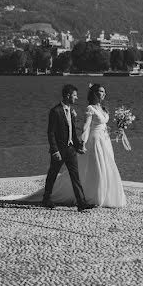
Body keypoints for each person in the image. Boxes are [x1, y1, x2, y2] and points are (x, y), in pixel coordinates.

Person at [40, 84, 95, 212]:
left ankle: (81, 203)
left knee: (75, 176)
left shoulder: (71, 111)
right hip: (59, 150)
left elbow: (72, 132)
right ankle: (46, 199)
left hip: (70, 150)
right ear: (68, 95)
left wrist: (78, 146)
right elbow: (51, 132)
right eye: (75, 95)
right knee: (52, 174)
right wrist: (54, 150)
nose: (76, 98)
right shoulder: (55, 111)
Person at [76, 83, 127, 207]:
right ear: (94, 93)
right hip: (95, 141)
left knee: (107, 165)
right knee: (97, 167)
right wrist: (82, 142)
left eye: (104, 92)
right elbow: (86, 126)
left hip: (105, 140)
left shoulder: (103, 108)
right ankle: (95, 195)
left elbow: (104, 127)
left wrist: (117, 131)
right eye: (100, 91)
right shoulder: (90, 108)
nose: (103, 94)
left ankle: (107, 194)